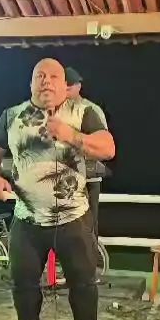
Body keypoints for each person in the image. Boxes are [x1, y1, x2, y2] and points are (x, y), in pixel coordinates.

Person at [0, 58, 116, 320]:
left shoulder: (84, 112)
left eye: (53, 76)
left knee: (82, 280)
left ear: (64, 85)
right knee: (23, 279)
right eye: (39, 76)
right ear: (30, 84)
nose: (46, 81)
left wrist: (70, 135)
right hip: (27, 216)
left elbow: (108, 148)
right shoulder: (11, 116)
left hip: (73, 216)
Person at [65, 67, 107, 238]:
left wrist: (75, 143)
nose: (67, 89)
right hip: (64, 179)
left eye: (70, 85)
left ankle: (92, 254)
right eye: (64, 85)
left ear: (79, 86)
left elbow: (103, 145)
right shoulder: (57, 110)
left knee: (88, 226)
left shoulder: (91, 110)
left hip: (89, 178)